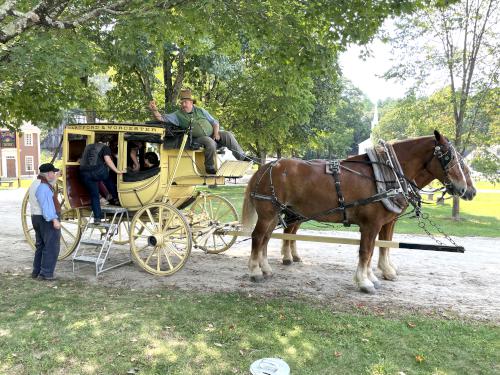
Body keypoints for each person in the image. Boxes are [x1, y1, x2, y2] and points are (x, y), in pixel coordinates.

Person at [149, 89, 248, 174]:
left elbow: (215, 122)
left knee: (227, 135)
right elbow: (161, 118)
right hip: (195, 139)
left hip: (212, 134)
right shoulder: (177, 115)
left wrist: (216, 133)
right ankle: (209, 167)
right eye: (182, 102)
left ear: (191, 103)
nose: (183, 105)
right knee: (209, 142)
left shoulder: (201, 111)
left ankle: (243, 157)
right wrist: (154, 110)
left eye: (185, 102)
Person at [79, 135, 126, 223]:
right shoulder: (105, 147)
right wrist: (117, 171)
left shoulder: (88, 146)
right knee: (108, 176)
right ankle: (114, 197)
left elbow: (83, 159)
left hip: (84, 173)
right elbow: (108, 160)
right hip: (97, 172)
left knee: (94, 195)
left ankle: (97, 218)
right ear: (106, 142)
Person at [28, 163, 61, 280]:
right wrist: (54, 220)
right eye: (53, 172)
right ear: (48, 173)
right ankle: (46, 274)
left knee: (40, 246)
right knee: (51, 246)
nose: (54, 174)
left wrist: (57, 176)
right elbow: (46, 205)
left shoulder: (35, 183)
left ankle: (36, 272)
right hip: (45, 219)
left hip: (36, 217)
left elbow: (50, 183)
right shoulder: (43, 186)